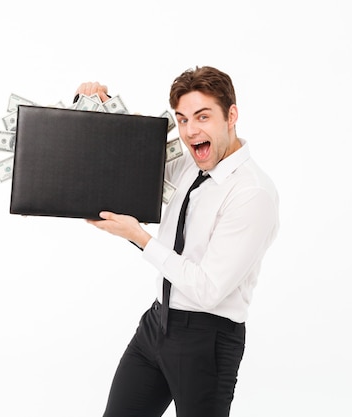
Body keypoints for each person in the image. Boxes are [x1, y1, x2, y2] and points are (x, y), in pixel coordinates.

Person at [78, 66, 279, 417]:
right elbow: (139, 153)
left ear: (232, 115)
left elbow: (207, 289)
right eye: (182, 119)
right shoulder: (191, 165)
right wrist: (104, 106)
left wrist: (140, 238)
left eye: (203, 117)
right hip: (158, 324)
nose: (190, 131)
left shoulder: (252, 193)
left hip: (208, 340)